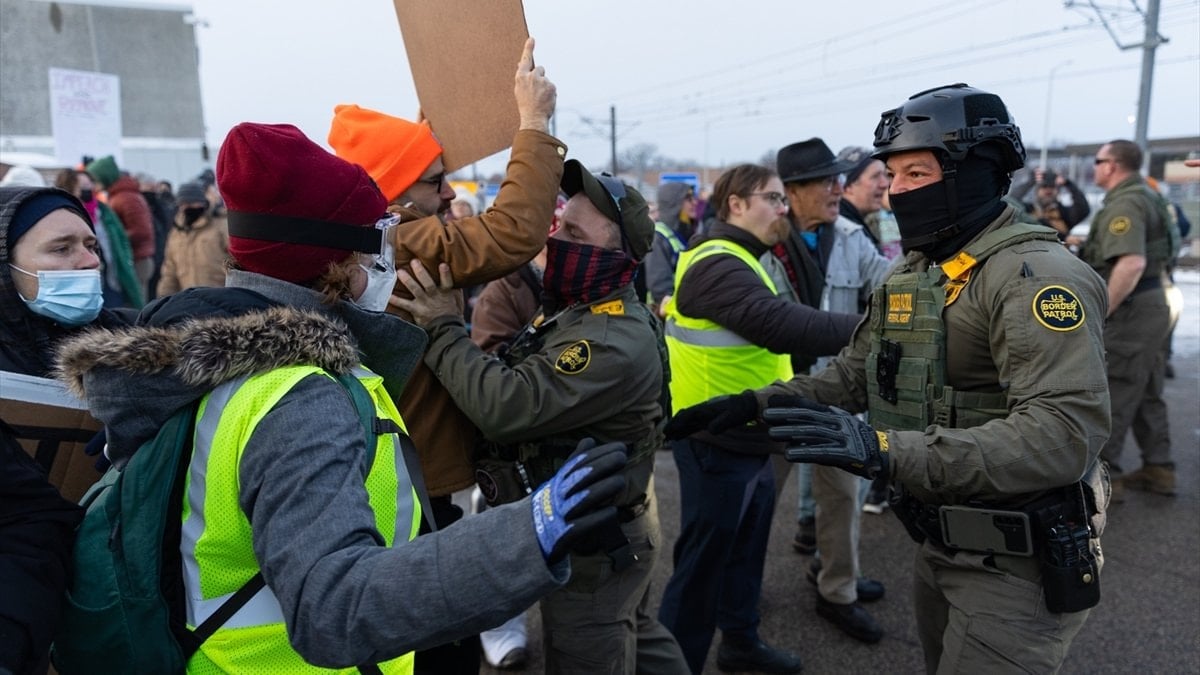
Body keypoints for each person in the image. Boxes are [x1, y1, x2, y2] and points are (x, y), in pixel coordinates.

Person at [54, 121, 627, 673]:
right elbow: (336, 605)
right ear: (334, 260)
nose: (388, 259)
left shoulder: (205, 351)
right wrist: (529, 533)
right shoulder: (298, 396)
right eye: (377, 239)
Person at [667, 84, 1111, 673]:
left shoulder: (1034, 277)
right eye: (892, 174)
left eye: (916, 173)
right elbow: (858, 371)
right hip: (940, 540)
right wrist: (757, 404)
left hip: (1015, 563)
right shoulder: (919, 267)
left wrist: (883, 449)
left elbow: (1061, 436)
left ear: (973, 173)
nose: (896, 191)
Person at [394, 159, 688, 675]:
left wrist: (442, 326)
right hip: (602, 520)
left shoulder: (610, 339)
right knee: (634, 630)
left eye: (574, 232)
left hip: (597, 546)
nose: (554, 239)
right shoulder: (577, 307)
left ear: (618, 255)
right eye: (558, 223)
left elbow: (507, 406)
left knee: (588, 648)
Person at [326, 37, 562, 673]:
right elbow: (513, 232)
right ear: (395, 196)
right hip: (427, 479)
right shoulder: (403, 237)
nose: (451, 196)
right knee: (441, 634)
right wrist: (533, 124)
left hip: (408, 469)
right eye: (436, 183)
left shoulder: (371, 240)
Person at [656, 163, 860, 674]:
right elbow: (778, 324)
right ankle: (675, 665)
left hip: (747, 437)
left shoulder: (746, 257)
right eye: (771, 198)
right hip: (715, 440)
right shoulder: (715, 261)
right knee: (701, 571)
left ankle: (741, 643)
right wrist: (875, 327)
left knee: (744, 556)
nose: (782, 208)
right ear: (736, 205)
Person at [766, 138, 890, 644]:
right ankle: (736, 595)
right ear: (792, 191)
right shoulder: (762, 238)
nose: (838, 188)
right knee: (756, 500)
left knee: (843, 492)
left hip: (835, 386)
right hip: (772, 390)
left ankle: (836, 588)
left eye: (840, 179)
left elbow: (887, 284)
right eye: (826, 181)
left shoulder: (849, 234)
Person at [0, 186, 127, 674]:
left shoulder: (127, 343)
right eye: (61, 248)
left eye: (90, 246)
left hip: (104, 608)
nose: (86, 261)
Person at [1081, 140, 1175, 498]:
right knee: (1147, 388)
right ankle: (1159, 468)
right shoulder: (1145, 194)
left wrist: (1103, 310)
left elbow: (1131, 262)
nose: (1095, 167)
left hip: (1134, 307)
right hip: (1153, 302)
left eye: (1097, 160)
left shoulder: (1127, 201)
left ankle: (1105, 480)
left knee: (1115, 390)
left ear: (1112, 165)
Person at [85, 156, 156, 302]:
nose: (94, 185)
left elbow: (142, 230)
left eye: (95, 180)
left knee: (135, 304)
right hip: (133, 258)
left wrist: (115, 238)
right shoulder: (119, 196)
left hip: (137, 260)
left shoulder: (126, 198)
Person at [155, 180, 229, 296]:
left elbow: (237, 263)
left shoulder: (221, 226)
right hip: (190, 300)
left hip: (221, 297)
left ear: (202, 203)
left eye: (191, 203)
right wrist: (163, 299)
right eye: (183, 204)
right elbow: (169, 270)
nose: (187, 208)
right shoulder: (177, 232)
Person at [643, 181, 696, 316]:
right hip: (669, 316)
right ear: (675, 203)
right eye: (688, 199)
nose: (694, 203)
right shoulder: (658, 237)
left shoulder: (685, 232)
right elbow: (660, 290)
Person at [1011, 168, 1090, 240]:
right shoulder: (1027, 210)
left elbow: (1083, 209)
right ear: (1037, 191)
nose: (1048, 190)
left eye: (1052, 186)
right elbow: (1011, 201)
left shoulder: (1064, 213)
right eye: (1044, 186)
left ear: (1058, 190)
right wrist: (1030, 183)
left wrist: (1068, 184)